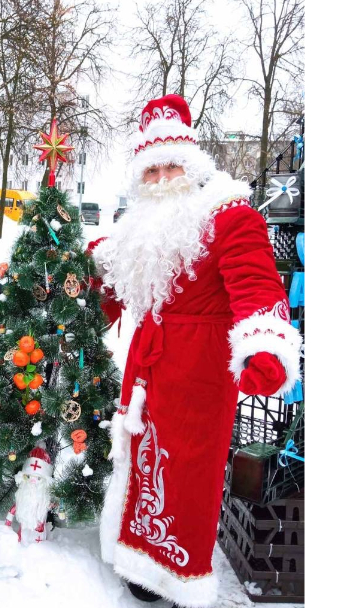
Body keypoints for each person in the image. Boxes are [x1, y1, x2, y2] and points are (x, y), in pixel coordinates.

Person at [89, 94, 301, 607]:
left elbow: (255, 282)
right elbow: (120, 282)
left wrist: (264, 346)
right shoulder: (140, 224)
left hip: (199, 370)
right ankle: (138, 560)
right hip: (148, 364)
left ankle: (178, 571)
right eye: (151, 169)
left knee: (188, 473)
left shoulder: (228, 216)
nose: (162, 177)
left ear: (191, 163)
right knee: (142, 458)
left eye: (171, 165)